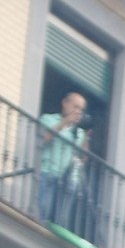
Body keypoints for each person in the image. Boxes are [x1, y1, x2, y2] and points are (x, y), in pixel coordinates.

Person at [35, 90, 91, 230]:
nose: (77, 111)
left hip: (63, 181)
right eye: (75, 106)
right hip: (46, 173)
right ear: (65, 103)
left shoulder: (78, 133)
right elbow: (43, 139)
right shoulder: (49, 119)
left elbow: (82, 159)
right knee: (41, 213)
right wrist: (65, 122)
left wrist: (87, 138)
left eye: (81, 109)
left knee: (58, 218)